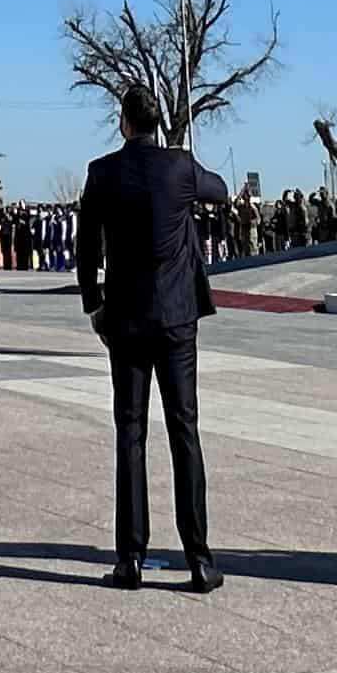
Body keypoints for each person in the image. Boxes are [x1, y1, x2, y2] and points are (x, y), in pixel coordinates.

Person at [74, 88, 225, 593]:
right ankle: (199, 558)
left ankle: (131, 557)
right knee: (185, 428)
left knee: (130, 432)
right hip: (177, 314)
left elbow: (86, 242)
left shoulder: (103, 172)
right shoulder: (180, 167)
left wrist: (93, 303)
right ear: (157, 123)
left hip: (126, 315)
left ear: (124, 123)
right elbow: (220, 190)